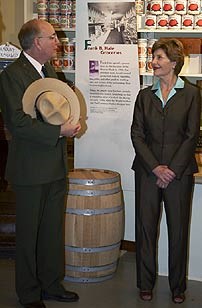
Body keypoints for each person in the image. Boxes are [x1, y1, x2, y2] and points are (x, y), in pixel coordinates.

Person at [0, 19, 81, 308]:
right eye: (52, 37)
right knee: (28, 236)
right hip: (30, 170)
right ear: (36, 42)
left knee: (51, 231)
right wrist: (60, 131)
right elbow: (18, 123)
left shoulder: (48, 71)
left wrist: (69, 122)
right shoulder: (12, 76)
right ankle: (29, 293)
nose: (57, 41)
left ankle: (51, 284)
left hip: (55, 166)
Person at [131, 38, 201, 304]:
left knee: (178, 230)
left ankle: (177, 287)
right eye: (153, 56)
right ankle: (145, 284)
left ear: (173, 62)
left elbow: (191, 134)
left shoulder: (192, 94)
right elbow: (137, 134)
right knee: (145, 229)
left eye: (159, 57)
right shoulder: (144, 95)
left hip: (179, 174)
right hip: (148, 172)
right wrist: (155, 167)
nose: (154, 62)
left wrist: (171, 169)